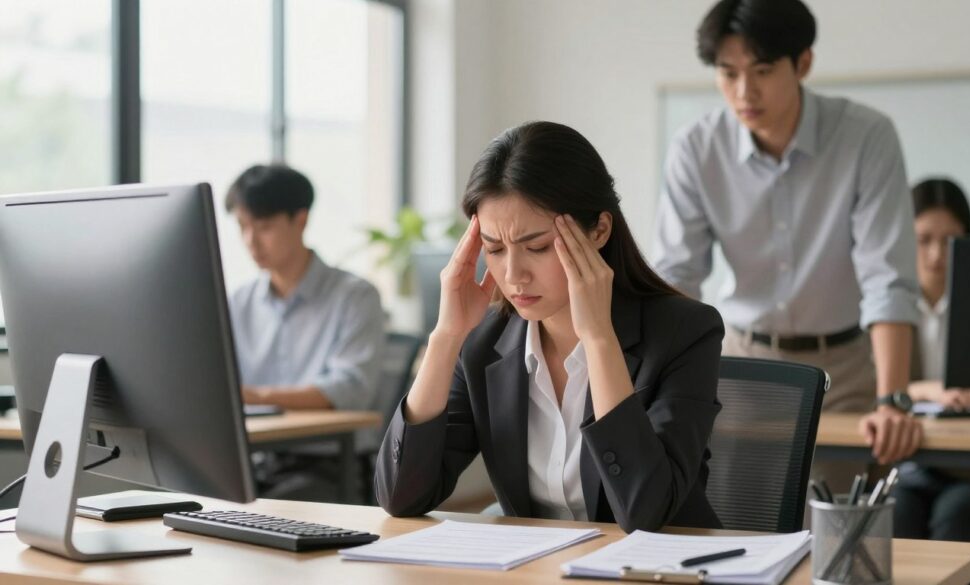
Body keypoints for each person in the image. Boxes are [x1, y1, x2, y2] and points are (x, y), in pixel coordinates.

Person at [375, 121, 724, 532]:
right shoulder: (483, 342)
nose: (514, 274)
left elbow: (646, 513)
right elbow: (401, 496)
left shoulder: (686, 332)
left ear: (599, 230)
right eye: (495, 249)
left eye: (537, 247)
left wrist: (599, 340)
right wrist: (446, 336)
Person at [652, 0, 922, 475]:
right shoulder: (696, 149)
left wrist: (893, 400)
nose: (743, 92)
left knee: (836, 527)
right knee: (737, 528)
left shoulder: (865, 137)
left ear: (803, 63)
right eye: (727, 73)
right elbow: (678, 278)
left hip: (843, 369)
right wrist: (662, 384)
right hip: (739, 363)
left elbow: (889, 278)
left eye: (761, 70)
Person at [226, 163, 385, 501]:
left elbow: (350, 390)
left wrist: (259, 396)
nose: (251, 241)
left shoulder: (355, 296)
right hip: (257, 462)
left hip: (331, 466)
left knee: (267, 515)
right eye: (242, 227)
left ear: (301, 220)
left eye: (264, 227)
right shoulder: (238, 302)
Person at [893, 178, 970, 543]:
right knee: (893, 519)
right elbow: (872, 385)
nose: (935, 255)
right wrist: (934, 392)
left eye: (949, 241)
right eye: (923, 239)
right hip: (905, 466)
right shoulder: (888, 313)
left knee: (958, 518)